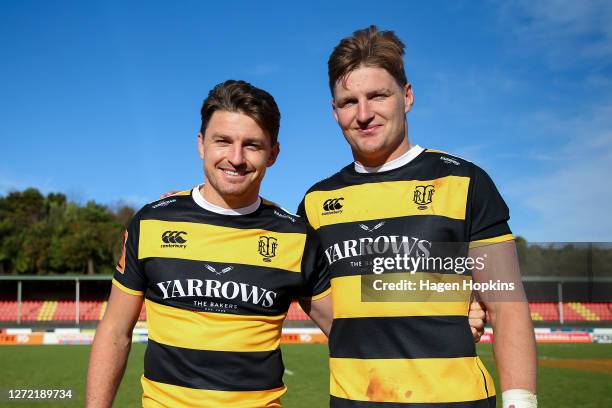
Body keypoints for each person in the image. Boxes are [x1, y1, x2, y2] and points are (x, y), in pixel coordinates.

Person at [297, 26, 537, 408]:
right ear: (334, 111)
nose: (363, 114)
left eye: (378, 96)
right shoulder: (316, 202)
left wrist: (521, 402)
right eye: (348, 101)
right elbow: (331, 306)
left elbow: (507, 304)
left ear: (406, 97)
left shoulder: (464, 181)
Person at [86, 80, 333, 408]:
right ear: (201, 144)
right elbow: (115, 331)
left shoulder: (296, 237)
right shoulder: (151, 222)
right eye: (223, 141)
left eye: (252, 145)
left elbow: (347, 332)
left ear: (273, 153)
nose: (235, 157)